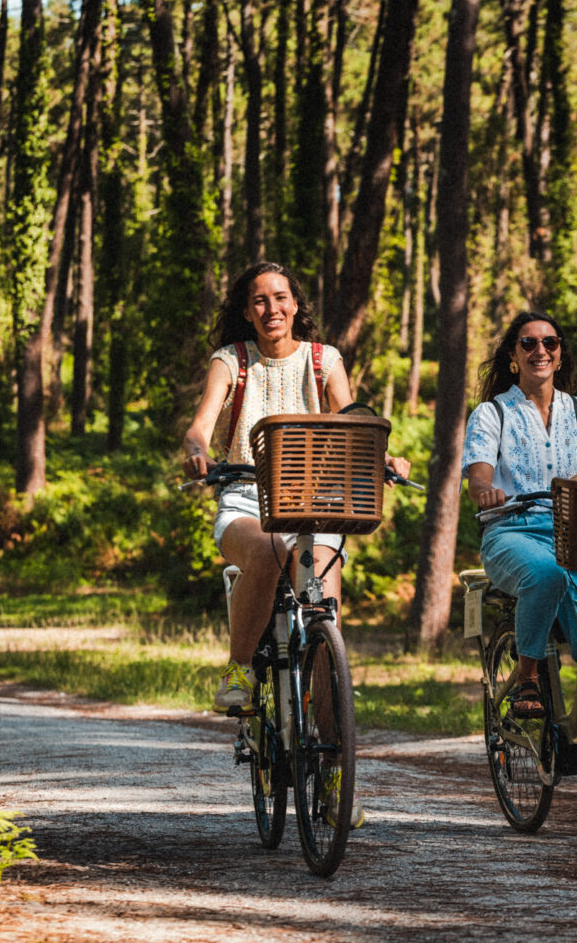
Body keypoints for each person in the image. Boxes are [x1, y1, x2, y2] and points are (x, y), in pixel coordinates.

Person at [181, 262, 409, 826]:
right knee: (264, 550)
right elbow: (200, 425)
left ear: (295, 303)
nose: (271, 308)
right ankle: (239, 671)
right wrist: (197, 451)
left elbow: (351, 419)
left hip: (316, 505)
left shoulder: (324, 360)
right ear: (246, 310)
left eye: (280, 298)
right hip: (244, 501)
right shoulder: (230, 362)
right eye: (259, 300)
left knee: (325, 621)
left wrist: (380, 456)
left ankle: (334, 774)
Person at [460, 310, 577, 719]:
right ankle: (529, 677)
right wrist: (486, 492)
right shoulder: (493, 413)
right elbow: (477, 478)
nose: (540, 350)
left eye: (550, 343)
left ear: (560, 355)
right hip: (513, 532)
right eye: (528, 343)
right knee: (545, 574)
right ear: (514, 355)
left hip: (573, 535)